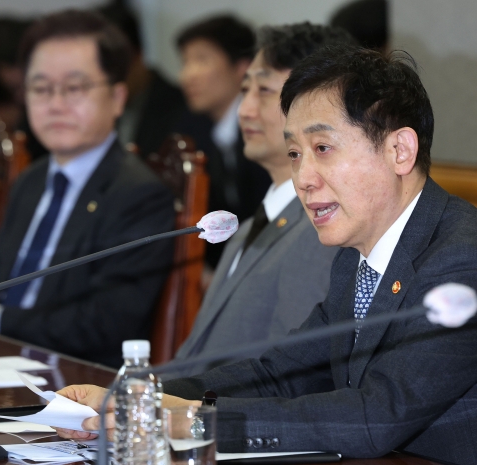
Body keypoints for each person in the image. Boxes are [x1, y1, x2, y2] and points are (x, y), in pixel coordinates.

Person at [53, 44, 477, 465]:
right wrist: (138, 396)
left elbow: (374, 418)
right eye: (295, 154)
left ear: (399, 150)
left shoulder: (462, 258)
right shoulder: (357, 256)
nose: (303, 179)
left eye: (323, 148)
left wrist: (194, 422)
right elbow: (279, 375)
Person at [0, 10, 175, 368]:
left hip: (72, 381)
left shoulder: (138, 194)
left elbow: (105, 322)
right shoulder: (32, 179)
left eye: (75, 88)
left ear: (118, 97)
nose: (56, 104)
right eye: (41, 88)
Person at [171, 24, 355, 377]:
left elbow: (287, 376)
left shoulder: (321, 229)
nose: (245, 110)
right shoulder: (249, 221)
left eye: (265, 90)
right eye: (245, 90)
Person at [175, 15, 272, 268]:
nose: (187, 75)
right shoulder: (194, 130)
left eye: (201, 59)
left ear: (242, 67)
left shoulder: (267, 129)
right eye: (185, 62)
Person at [97, 1, 189, 158]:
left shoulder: (181, 108)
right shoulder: (97, 108)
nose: (106, 81)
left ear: (137, 55)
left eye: (113, 68)